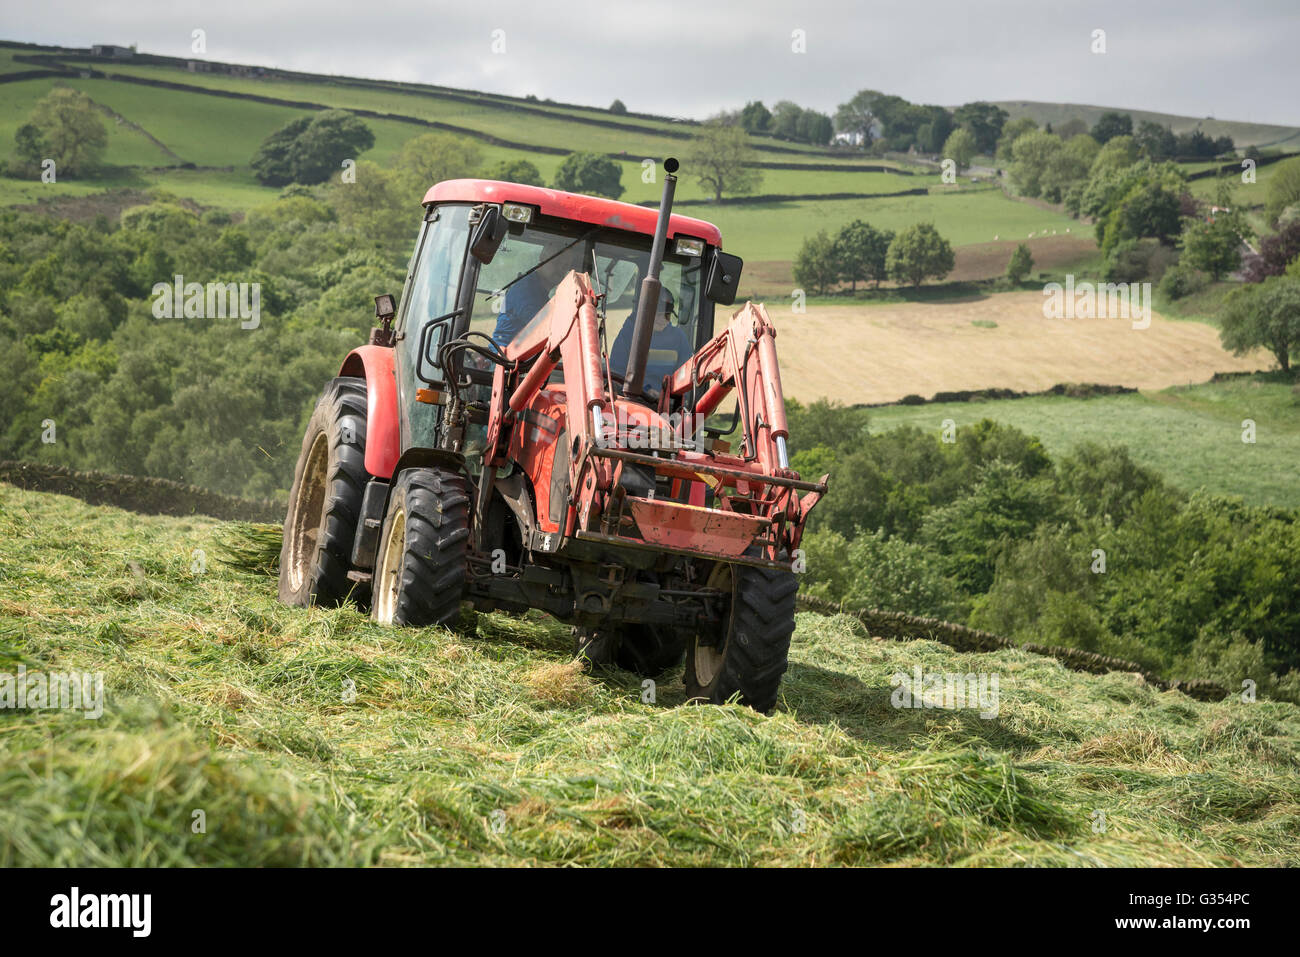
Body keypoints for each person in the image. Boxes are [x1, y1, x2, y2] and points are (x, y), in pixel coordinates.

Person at [491, 237, 580, 350]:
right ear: (542, 258)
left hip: (519, 361)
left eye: (565, 265)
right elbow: (542, 327)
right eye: (556, 262)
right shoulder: (526, 289)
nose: (560, 269)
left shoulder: (541, 294)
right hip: (504, 361)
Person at [608, 287, 693, 397]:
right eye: (658, 314)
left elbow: (685, 376)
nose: (662, 319)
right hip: (633, 400)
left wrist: (668, 396)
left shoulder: (679, 338)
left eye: (667, 315)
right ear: (646, 312)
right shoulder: (629, 334)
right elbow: (616, 373)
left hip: (668, 404)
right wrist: (644, 391)